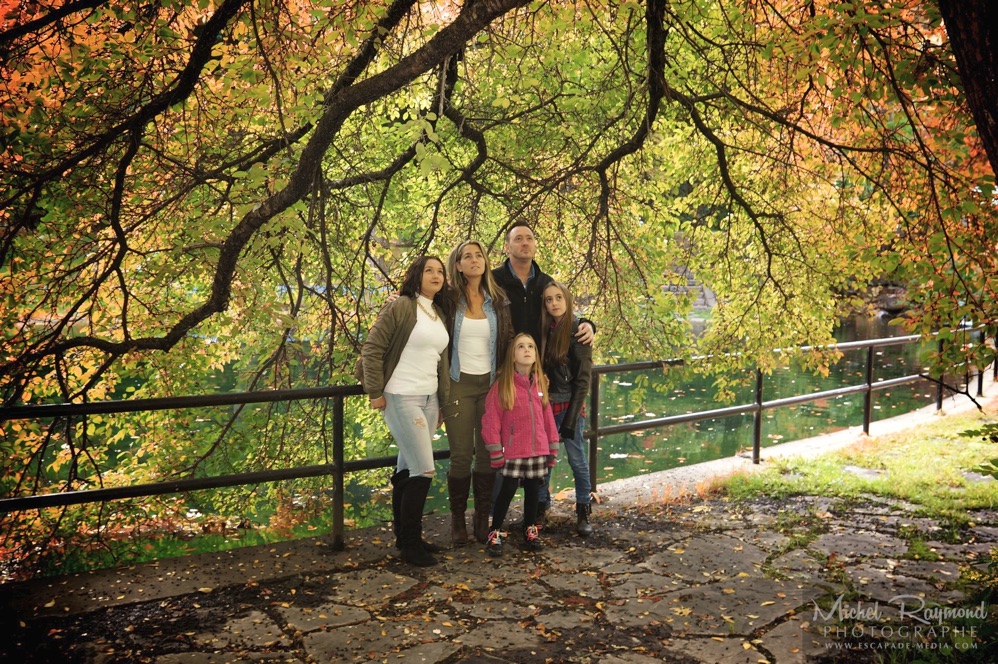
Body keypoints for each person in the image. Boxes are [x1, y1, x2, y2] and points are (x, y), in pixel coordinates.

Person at [360, 256, 453, 567]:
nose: (436, 275)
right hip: (400, 396)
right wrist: (375, 392)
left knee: (406, 469)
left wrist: (440, 400)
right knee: (424, 469)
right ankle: (411, 546)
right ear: (417, 275)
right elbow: (373, 348)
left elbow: (440, 361)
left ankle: (405, 536)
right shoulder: (401, 305)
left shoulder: (437, 311)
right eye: (429, 270)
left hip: (428, 398)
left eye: (440, 271)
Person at [443, 240, 512, 546]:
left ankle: (481, 518)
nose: (474, 260)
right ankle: (457, 520)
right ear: (457, 265)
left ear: (485, 262)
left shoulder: (497, 300)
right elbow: (416, 307)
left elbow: (509, 337)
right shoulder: (447, 300)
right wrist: (395, 301)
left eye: (478, 255)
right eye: (466, 257)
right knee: (460, 455)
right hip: (458, 382)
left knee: (487, 454)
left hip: (490, 385)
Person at [481, 333, 560, 556]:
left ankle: (529, 528)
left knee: (534, 490)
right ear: (512, 355)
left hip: (538, 449)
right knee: (507, 489)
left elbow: (547, 418)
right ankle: (495, 530)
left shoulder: (539, 384)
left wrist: (552, 446)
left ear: (535, 354)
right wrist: (496, 450)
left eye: (531, 347)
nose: (527, 350)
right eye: (521, 347)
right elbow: (491, 420)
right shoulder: (503, 385)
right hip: (514, 450)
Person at [539, 281, 594, 535]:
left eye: (558, 298)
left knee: (577, 459)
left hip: (571, 404)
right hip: (547, 402)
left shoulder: (578, 331)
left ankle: (583, 509)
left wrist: (571, 420)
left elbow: (583, 381)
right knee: (545, 459)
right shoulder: (543, 329)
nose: (554, 304)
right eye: (549, 299)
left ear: (567, 299)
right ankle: (542, 509)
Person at [491, 221, 595, 347]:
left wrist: (586, 324)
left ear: (535, 245)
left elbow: (563, 314)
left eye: (529, 239)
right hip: (502, 362)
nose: (525, 243)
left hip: (539, 363)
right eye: (518, 239)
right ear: (507, 247)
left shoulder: (546, 282)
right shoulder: (492, 281)